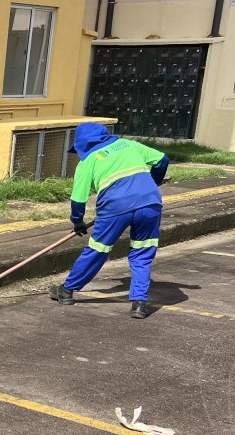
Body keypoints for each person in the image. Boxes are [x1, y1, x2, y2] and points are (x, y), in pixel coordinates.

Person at [49, 123, 169, 319]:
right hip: (150, 203)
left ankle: (67, 290)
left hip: (115, 207)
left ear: (81, 144)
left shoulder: (88, 161)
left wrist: (77, 222)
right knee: (142, 252)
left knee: (98, 249)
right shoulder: (128, 144)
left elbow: (78, 200)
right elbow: (162, 159)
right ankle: (139, 304)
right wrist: (153, 183)